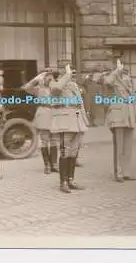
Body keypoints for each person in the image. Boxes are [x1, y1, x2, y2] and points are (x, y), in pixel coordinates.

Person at [98, 58, 136, 182]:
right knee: (119, 146)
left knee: (128, 146)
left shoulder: (127, 79)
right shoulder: (112, 77)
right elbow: (107, 82)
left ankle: (126, 172)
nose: (123, 68)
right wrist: (116, 71)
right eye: (120, 66)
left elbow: (133, 97)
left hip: (129, 114)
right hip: (117, 114)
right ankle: (119, 173)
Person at [49, 64, 87, 193]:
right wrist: (66, 76)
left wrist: (84, 121)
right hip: (64, 121)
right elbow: (56, 90)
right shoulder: (55, 84)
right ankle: (63, 182)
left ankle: (71, 179)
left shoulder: (73, 85)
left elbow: (80, 103)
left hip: (76, 120)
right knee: (65, 151)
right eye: (70, 73)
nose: (72, 75)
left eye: (72, 73)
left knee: (74, 151)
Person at [22, 69, 58, 174]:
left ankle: (54, 164)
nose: (50, 78)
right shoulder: (38, 89)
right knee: (45, 141)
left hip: (54, 114)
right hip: (43, 113)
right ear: (44, 78)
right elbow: (27, 88)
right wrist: (37, 78)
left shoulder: (56, 88)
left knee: (54, 141)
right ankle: (47, 165)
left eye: (51, 76)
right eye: (47, 76)